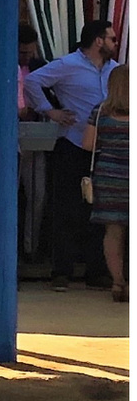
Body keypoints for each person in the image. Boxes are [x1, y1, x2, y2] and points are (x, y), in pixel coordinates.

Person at [24, 20, 119, 291]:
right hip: (73, 144)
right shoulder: (67, 64)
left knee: (100, 211)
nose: (115, 43)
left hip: (104, 148)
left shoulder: (115, 70)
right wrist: (49, 110)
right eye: (111, 38)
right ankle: (61, 271)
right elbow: (33, 81)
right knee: (66, 210)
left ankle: (96, 270)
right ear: (98, 41)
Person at [83, 65, 128, 302]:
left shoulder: (100, 111)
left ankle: (118, 283)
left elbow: (88, 144)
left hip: (109, 178)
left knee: (113, 233)